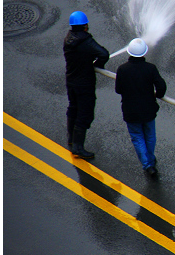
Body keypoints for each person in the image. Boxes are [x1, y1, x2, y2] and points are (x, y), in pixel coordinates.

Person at [115, 38, 167, 176]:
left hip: (131, 112)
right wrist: (158, 95)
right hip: (148, 110)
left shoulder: (122, 69)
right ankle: (150, 159)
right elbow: (161, 86)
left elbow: (118, 90)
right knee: (150, 136)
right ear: (144, 53)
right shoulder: (150, 68)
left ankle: (148, 165)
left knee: (137, 137)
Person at [64, 11, 109, 160]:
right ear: (85, 26)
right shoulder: (86, 41)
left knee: (73, 108)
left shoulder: (68, 39)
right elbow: (103, 53)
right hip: (84, 84)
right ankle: (78, 147)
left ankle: (71, 138)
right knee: (85, 114)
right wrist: (97, 65)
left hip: (71, 81)